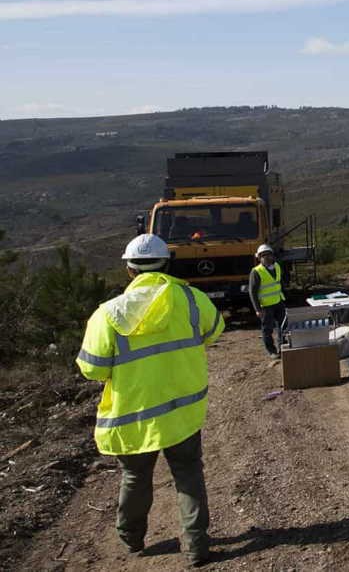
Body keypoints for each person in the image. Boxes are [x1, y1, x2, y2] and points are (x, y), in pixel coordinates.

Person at [76, 234, 224, 567]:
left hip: (133, 416)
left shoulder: (107, 314)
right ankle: (196, 546)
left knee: (135, 478)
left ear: (129, 270)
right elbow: (214, 331)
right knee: (188, 475)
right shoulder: (190, 299)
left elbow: (92, 369)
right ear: (167, 263)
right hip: (182, 411)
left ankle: (131, 538)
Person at [249, 244, 286, 359]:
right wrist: (257, 309)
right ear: (259, 258)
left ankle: (283, 347)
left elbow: (279, 283)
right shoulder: (256, 272)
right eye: (263, 255)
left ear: (272, 255)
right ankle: (272, 351)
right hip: (265, 305)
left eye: (268, 255)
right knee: (267, 330)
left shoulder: (277, 267)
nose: (266, 257)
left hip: (279, 302)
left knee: (284, 326)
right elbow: (252, 292)